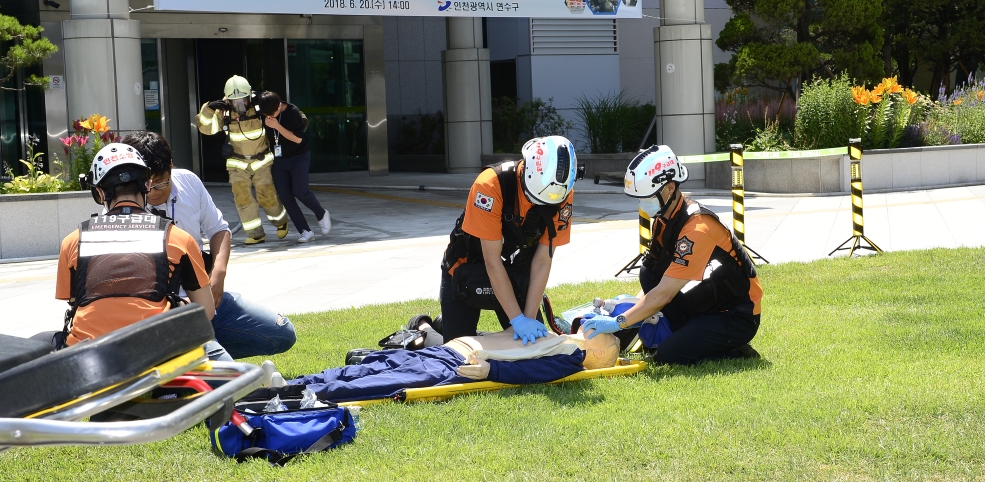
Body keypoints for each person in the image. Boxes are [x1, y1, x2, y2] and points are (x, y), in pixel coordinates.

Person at [581, 145, 763, 365]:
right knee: (648, 272)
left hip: (735, 315)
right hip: (705, 303)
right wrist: (632, 311)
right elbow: (654, 279)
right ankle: (689, 334)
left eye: (646, 196)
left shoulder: (697, 228)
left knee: (667, 356)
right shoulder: (664, 219)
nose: (641, 204)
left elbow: (663, 295)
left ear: (669, 188)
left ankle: (735, 349)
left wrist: (619, 322)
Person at [122, 131, 297, 360]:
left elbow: (219, 230)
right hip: (165, 313)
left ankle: (201, 352)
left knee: (282, 333)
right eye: (148, 185)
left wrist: (218, 275)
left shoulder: (189, 182)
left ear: (171, 166)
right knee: (230, 381)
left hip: (205, 296)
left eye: (162, 182)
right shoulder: (123, 206)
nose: (154, 192)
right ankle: (199, 354)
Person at [50, 143, 216, 351]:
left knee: (40, 341)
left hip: (89, 355)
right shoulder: (178, 238)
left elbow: (76, 301)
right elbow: (206, 311)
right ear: (147, 185)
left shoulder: (73, 241)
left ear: (100, 193)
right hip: (158, 350)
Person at [439, 136, 578, 344]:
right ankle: (425, 327)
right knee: (457, 353)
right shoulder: (490, 185)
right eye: (532, 199)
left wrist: (528, 319)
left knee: (532, 349)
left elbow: (542, 260)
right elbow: (492, 261)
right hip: (465, 270)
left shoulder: (561, 193)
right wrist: (517, 320)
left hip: (514, 273)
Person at [286, 321, 620, 403]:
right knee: (378, 379)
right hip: (456, 360)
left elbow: (532, 370)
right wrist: (492, 369)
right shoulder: (567, 349)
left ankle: (297, 384)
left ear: (600, 354)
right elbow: (533, 371)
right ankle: (301, 391)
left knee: (377, 370)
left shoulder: (566, 350)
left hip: (456, 351)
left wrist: (493, 369)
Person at [196, 75, 289, 245]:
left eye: (243, 100)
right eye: (235, 101)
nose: (240, 104)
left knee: (266, 195)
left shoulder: (260, 106)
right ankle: (255, 233)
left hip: (262, 161)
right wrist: (208, 109)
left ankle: (280, 221)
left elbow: (283, 110)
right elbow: (205, 128)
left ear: (249, 96)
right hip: (237, 164)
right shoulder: (223, 112)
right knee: (242, 198)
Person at [257, 91, 330, 243]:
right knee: (285, 196)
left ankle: (321, 213)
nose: (271, 116)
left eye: (274, 113)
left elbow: (298, 139)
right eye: (267, 114)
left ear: (279, 106)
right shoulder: (265, 108)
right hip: (279, 160)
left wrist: (277, 125)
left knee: (300, 191)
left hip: (299, 156)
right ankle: (305, 230)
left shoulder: (292, 112)